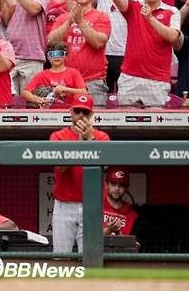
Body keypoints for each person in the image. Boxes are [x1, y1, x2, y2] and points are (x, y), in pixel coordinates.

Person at [112, 0, 182, 107]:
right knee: (124, 124)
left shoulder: (172, 11)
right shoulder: (134, 6)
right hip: (130, 76)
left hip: (157, 79)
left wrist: (150, 18)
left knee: (154, 126)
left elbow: (172, 37)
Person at [50, 94, 110, 253]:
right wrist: (80, 142)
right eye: (77, 111)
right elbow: (60, 167)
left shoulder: (102, 137)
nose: (81, 116)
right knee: (61, 257)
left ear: (91, 115)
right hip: (64, 204)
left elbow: (104, 167)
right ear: (71, 111)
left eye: (85, 112)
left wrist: (89, 140)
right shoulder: (58, 136)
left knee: (90, 257)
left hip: (92, 205)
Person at [0, 0, 52, 96]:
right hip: (11, 55)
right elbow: (6, 20)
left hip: (32, 55)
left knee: (32, 104)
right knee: (8, 101)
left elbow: (33, 9)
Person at [48, 0, 111, 106]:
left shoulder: (101, 16)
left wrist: (81, 22)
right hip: (64, 81)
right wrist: (69, 22)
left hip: (93, 82)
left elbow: (98, 43)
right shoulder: (63, 18)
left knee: (94, 122)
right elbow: (51, 42)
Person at [22, 41, 87, 108]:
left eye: (60, 54)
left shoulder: (74, 73)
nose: (57, 57)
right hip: (48, 113)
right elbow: (25, 93)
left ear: (66, 56)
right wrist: (37, 99)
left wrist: (66, 89)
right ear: (48, 57)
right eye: (53, 54)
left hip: (70, 112)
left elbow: (84, 92)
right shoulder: (41, 75)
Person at [103, 167, 137, 237]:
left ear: (127, 188)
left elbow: (135, 246)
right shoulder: (95, 208)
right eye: (113, 183)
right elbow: (87, 240)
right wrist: (108, 230)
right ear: (106, 185)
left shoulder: (132, 216)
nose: (117, 188)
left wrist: (118, 233)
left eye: (121, 185)